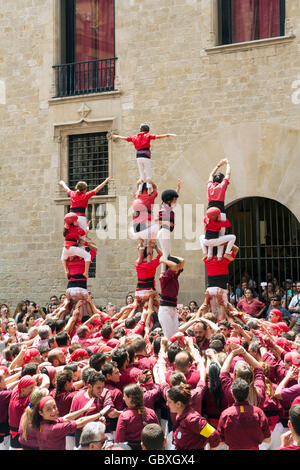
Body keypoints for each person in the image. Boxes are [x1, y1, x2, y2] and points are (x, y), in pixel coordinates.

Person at [112, 123, 176, 193]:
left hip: (138, 156)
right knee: (148, 174)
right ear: (147, 130)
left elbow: (125, 138)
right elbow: (158, 137)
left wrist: (117, 136)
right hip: (146, 155)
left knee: (142, 175)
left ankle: (139, 190)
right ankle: (148, 190)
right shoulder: (147, 135)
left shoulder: (135, 137)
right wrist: (167, 135)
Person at [30, 395, 102, 450]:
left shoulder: (41, 422)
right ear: (41, 412)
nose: (53, 411)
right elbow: (81, 422)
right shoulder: (54, 429)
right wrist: (100, 414)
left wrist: (83, 409)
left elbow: (65, 418)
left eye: (54, 407)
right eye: (48, 409)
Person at [217, 378, 271, 450]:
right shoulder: (258, 412)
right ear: (248, 394)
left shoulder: (226, 414)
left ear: (232, 395)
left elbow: (219, 441)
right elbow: (268, 439)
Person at [166, 383, 220, 450]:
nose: (167, 404)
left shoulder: (193, 420)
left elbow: (214, 435)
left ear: (178, 404)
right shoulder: (180, 416)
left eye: (169, 402)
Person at [114, 383, 159, 450]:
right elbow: (158, 434)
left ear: (130, 398)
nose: (123, 399)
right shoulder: (151, 412)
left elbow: (118, 441)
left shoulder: (124, 416)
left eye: (124, 396)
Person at [202, 245, 239, 319]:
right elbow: (236, 249)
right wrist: (223, 242)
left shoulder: (207, 260)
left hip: (210, 290)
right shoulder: (224, 260)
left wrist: (214, 242)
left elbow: (205, 248)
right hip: (221, 289)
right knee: (224, 312)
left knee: (211, 314)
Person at [157, 181, 181, 273]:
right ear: (168, 200)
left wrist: (178, 188)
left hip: (165, 232)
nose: (175, 201)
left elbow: (175, 197)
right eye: (174, 200)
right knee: (166, 254)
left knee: (167, 253)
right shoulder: (164, 209)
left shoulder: (167, 206)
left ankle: (164, 271)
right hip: (163, 232)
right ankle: (163, 273)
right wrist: (168, 223)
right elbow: (158, 221)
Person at [158, 256, 184, 339]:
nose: (177, 268)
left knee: (176, 335)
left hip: (173, 309)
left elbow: (182, 261)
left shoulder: (174, 276)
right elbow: (175, 266)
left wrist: (168, 256)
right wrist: (163, 260)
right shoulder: (164, 278)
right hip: (165, 309)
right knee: (169, 337)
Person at [61, 213, 91, 280]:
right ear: (73, 223)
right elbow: (85, 233)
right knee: (88, 256)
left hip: (65, 248)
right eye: (76, 221)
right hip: (73, 248)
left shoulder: (66, 229)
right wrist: (88, 226)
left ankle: (66, 271)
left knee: (63, 258)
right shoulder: (77, 229)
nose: (77, 222)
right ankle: (86, 272)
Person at [207, 158, 231, 236]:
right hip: (220, 212)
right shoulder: (222, 186)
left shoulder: (209, 185)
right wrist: (227, 163)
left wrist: (218, 165)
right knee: (221, 235)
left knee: (210, 234)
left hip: (210, 213)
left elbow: (211, 175)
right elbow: (228, 174)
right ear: (222, 180)